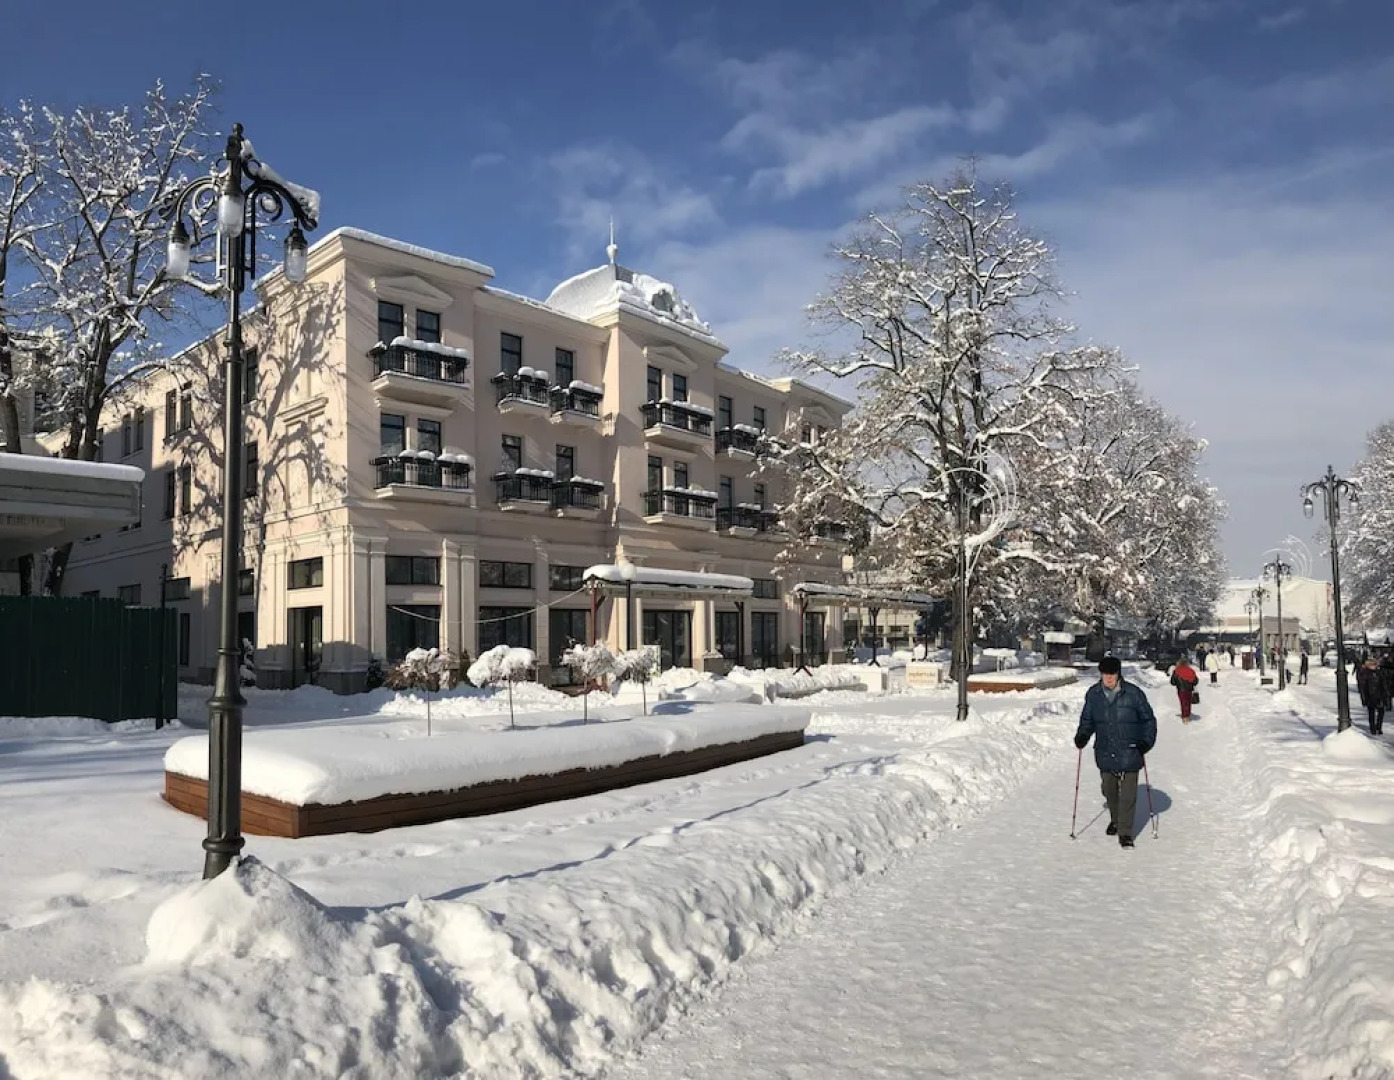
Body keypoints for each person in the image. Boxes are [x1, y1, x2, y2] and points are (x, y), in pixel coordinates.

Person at [1074, 656, 1157, 849]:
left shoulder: (1134, 694)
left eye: (1112, 674)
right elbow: (1087, 720)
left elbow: (1148, 720)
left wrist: (1146, 741)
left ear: (1118, 674)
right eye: (1105, 674)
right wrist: (1083, 735)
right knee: (1109, 790)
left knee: (1128, 795)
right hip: (1105, 750)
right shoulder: (1093, 695)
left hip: (1130, 749)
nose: (1109, 678)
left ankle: (1125, 832)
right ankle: (1116, 819)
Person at [1356, 657, 1387, 735]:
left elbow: (1383, 684)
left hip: (1380, 695)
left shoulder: (1379, 672)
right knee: (1371, 713)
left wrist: (1386, 694)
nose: (1374, 666)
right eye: (1372, 664)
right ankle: (1373, 728)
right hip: (1370, 696)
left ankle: (1379, 727)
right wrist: (1364, 699)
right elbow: (1362, 687)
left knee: (1381, 712)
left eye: (1374, 664)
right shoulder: (1365, 673)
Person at [1170, 656, 1200, 722]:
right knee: (1188, 703)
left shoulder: (1176, 671)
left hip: (1181, 690)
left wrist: (1178, 683)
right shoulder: (1190, 671)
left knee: (1183, 703)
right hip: (1189, 690)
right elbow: (1196, 681)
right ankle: (1188, 715)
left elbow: (1172, 682)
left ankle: (1184, 717)